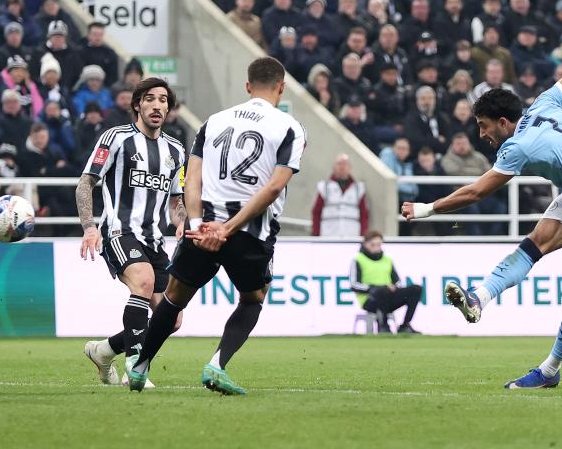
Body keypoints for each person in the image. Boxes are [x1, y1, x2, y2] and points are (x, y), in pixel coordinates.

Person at [403, 0, 562, 390]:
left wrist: (425, 210)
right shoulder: (545, 102)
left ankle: (549, 371)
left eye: (483, 126)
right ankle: (478, 299)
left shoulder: (517, 146)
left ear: (504, 121)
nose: (481, 134)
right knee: (532, 246)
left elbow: (477, 192)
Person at [127, 57, 307, 394]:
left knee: (174, 297)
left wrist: (198, 225)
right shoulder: (289, 127)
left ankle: (139, 367)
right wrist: (230, 228)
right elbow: (272, 188)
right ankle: (217, 364)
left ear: (247, 86)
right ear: (281, 87)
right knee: (253, 299)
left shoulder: (214, 121)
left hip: (203, 226)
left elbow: (190, 179)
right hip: (250, 232)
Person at [77, 78, 187, 387]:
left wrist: (180, 220)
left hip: (154, 240)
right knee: (143, 280)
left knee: (172, 319)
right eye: (150, 99)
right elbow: (86, 182)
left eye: (163, 100)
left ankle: (104, 350)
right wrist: (88, 226)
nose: (157, 105)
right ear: (137, 104)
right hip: (119, 231)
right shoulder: (116, 138)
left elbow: (176, 200)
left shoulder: (176, 150)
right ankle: (137, 368)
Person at [349, 230, 422, 335]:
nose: (376, 248)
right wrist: (374, 288)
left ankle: (405, 325)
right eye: (373, 245)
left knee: (416, 289)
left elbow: (398, 282)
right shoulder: (358, 260)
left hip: (388, 297)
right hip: (370, 300)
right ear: (365, 244)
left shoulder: (387, 260)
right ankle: (384, 325)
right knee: (381, 291)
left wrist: (394, 288)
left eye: (379, 244)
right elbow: (354, 285)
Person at [311, 153, 368, 237]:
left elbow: (364, 214)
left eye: (345, 164)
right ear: (334, 167)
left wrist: (363, 235)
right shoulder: (324, 187)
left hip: (352, 237)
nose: (342, 167)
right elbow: (316, 212)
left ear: (350, 167)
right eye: (339, 164)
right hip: (328, 236)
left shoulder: (359, 188)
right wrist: (316, 234)